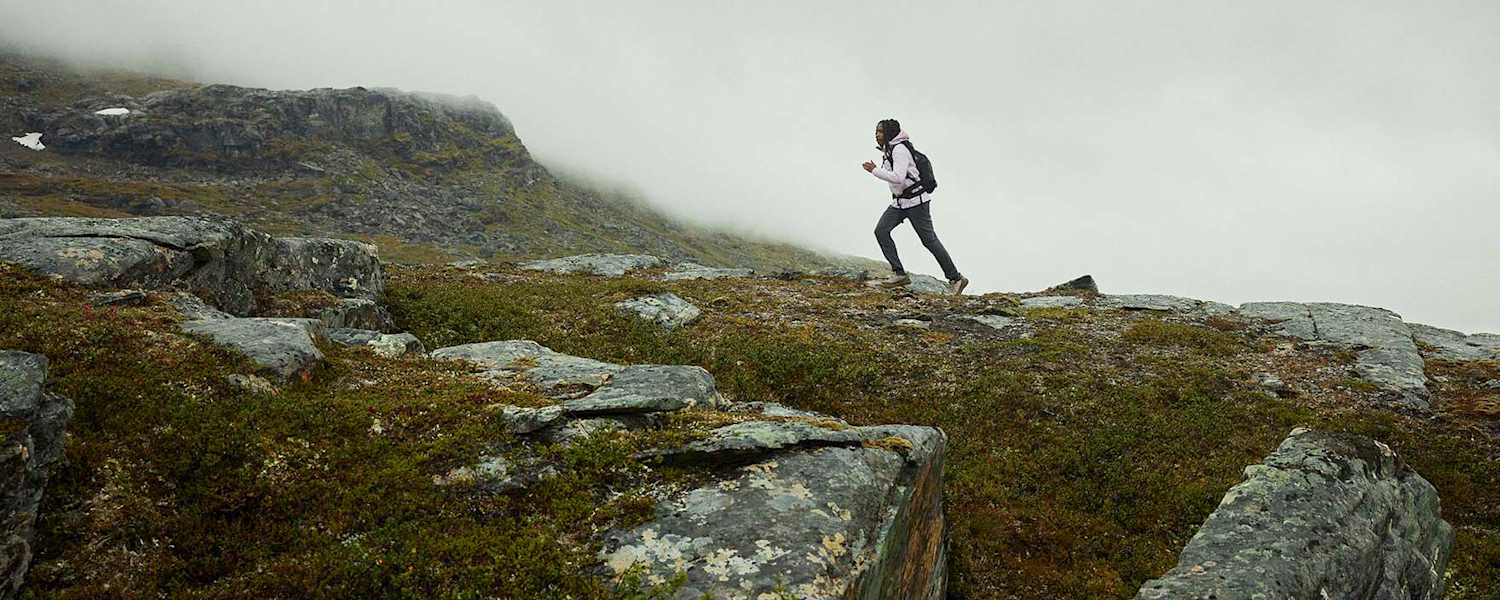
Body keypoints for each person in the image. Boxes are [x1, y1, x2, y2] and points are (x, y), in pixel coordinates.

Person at [861, 119, 968, 294]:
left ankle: (956, 278)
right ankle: (899, 274)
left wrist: (874, 170)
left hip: (917, 202)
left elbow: (898, 178)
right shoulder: (888, 149)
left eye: (880, 132)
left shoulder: (900, 150)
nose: (876, 135)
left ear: (888, 134)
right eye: (876, 131)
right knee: (881, 231)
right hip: (900, 202)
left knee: (929, 241)